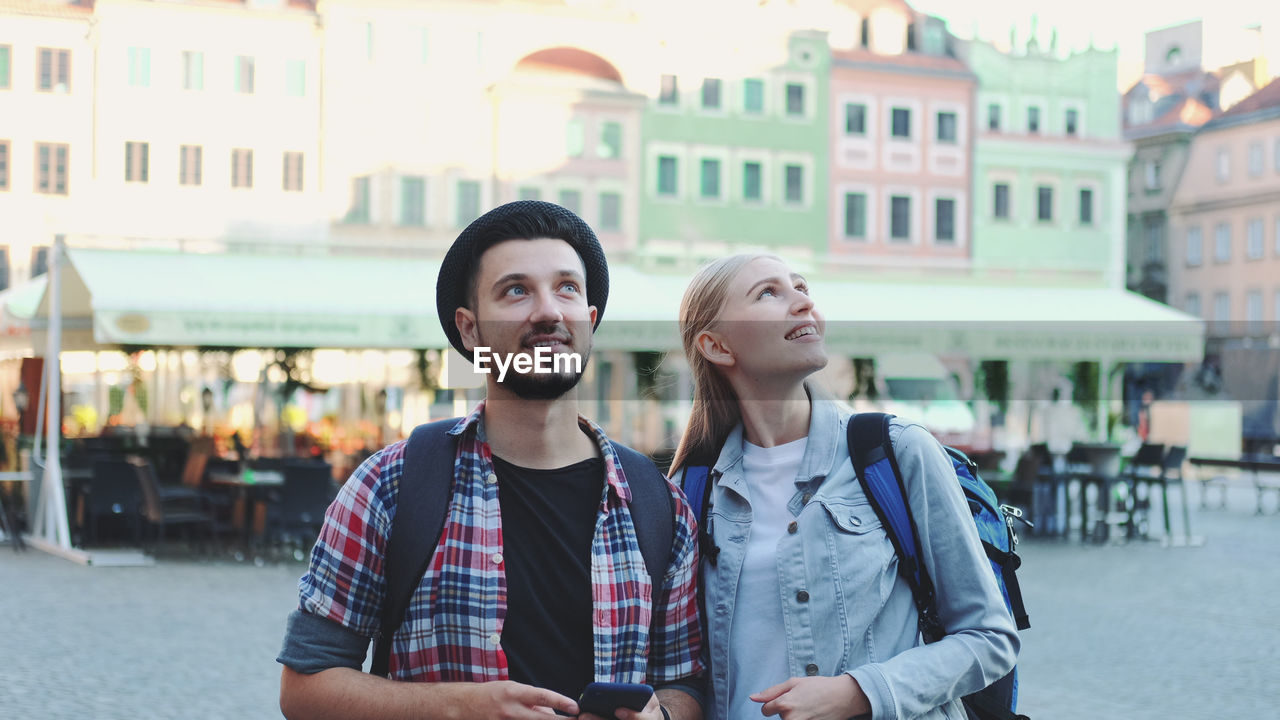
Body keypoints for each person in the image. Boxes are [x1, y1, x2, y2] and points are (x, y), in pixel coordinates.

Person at [277, 201, 704, 720]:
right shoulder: (391, 484)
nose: (548, 310)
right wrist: (458, 707)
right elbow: (304, 687)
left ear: (589, 320)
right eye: (516, 290)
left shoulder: (659, 504)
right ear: (470, 329)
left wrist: (662, 716)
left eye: (567, 287)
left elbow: (682, 682)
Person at [668, 253, 1019, 720]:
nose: (801, 303)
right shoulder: (690, 491)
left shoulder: (897, 452)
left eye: (802, 288)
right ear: (716, 346)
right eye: (768, 293)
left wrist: (860, 692)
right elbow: (680, 668)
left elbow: (990, 638)